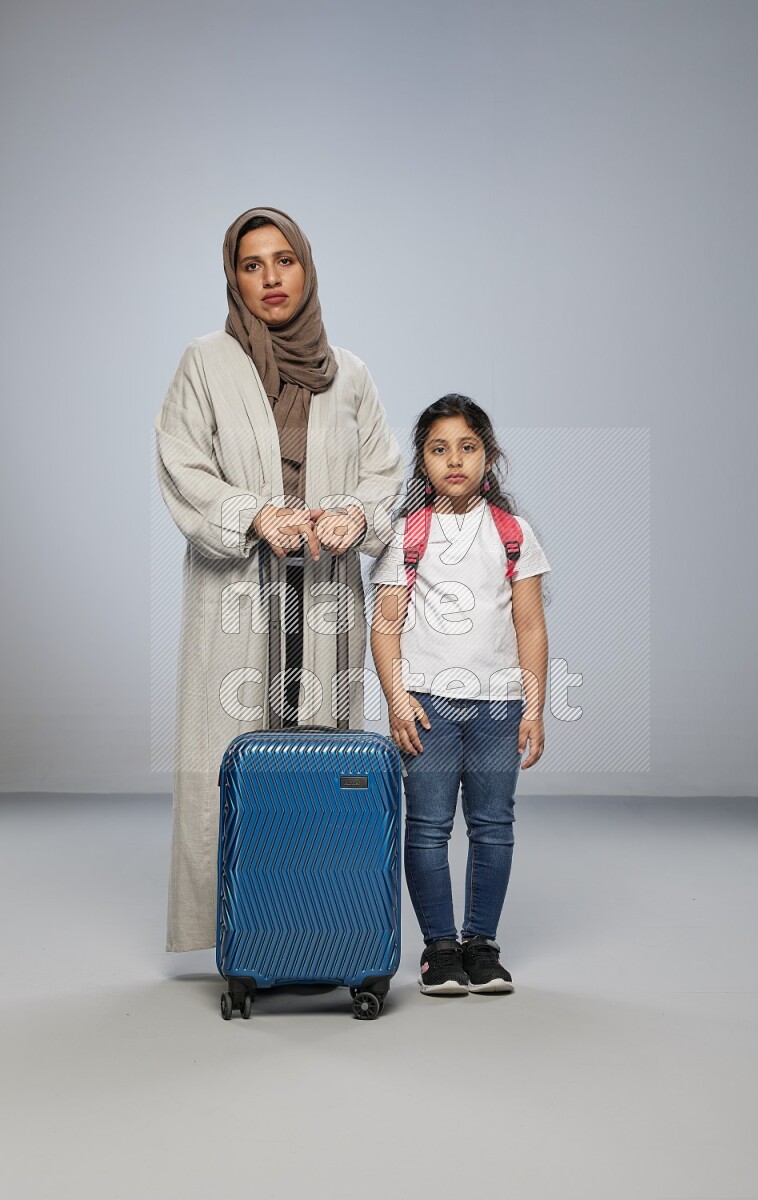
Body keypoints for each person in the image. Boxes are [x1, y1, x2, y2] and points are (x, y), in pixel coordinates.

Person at [156, 207, 404, 953]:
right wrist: (253, 514)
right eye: (252, 264)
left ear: (307, 268)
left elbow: (385, 473)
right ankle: (239, 932)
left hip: (325, 592)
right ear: (233, 277)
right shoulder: (206, 360)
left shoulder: (349, 373)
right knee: (230, 755)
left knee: (325, 761)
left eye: (284, 260)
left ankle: (320, 922)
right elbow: (181, 463)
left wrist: (356, 519)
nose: (270, 278)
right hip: (236, 592)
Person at [370, 394, 551, 995]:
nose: (455, 460)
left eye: (468, 447)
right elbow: (386, 625)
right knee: (426, 828)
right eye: (439, 449)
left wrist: (534, 706)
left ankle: (483, 946)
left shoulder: (512, 532)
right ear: (422, 462)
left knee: (493, 825)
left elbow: (529, 625)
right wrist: (397, 698)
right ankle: (439, 950)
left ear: (488, 456)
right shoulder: (407, 534)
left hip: (499, 707)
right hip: (426, 704)